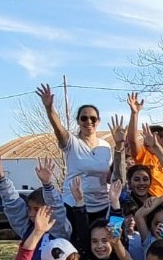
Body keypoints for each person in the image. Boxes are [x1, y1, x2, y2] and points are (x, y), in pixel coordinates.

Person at [37, 84, 112, 223]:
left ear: (98, 121)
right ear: (78, 121)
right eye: (84, 118)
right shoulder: (72, 142)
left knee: (99, 244)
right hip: (74, 205)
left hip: (102, 206)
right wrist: (49, 108)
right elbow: (59, 129)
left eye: (93, 118)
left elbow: (109, 177)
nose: (88, 121)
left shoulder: (106, 147)